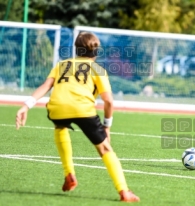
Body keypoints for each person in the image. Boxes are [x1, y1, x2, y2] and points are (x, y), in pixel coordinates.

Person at [15, 32, 140, 202]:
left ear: (76, 50)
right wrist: (107, 125)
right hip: (83, 109)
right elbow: (108, 101)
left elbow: (46, 86)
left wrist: (26, 105)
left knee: (60, 127)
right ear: (96, 52)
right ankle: (124, 191)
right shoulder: (98, 69)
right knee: (104, 149)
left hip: (57, 106)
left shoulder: (62, 65)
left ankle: (69, 174)